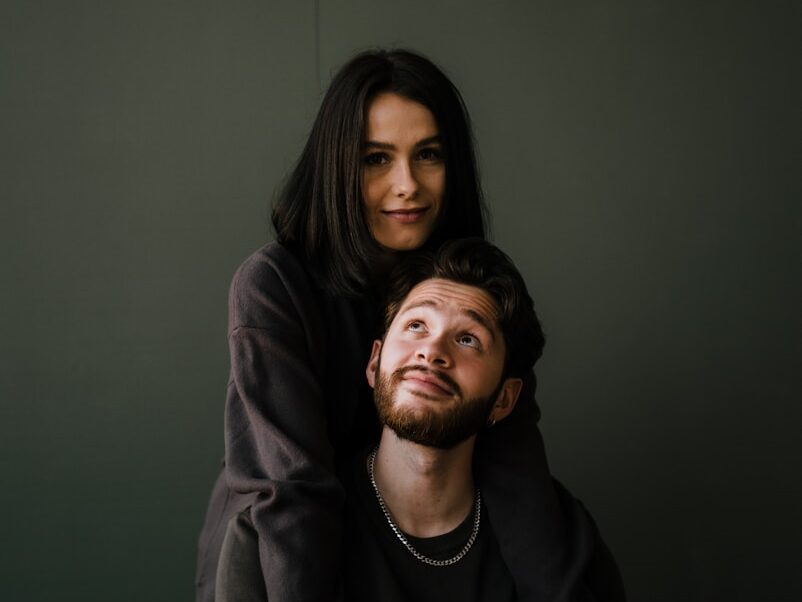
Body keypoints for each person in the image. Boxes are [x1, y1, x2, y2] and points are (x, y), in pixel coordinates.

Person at [196, 49, 583, 602]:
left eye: (428, 154)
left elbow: (515, 473)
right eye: (376, 159)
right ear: (339, 165)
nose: (407, 185)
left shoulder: (468, 291)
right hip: (282, 556)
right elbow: (291, 487)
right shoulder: (275, 286)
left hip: (419, 544)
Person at [214, 239, 625, 601]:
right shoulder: (263, 544)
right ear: (374, 363)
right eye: (415, 325)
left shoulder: (563, 539)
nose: (432, 351)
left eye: (468, 339)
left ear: (504, 399)